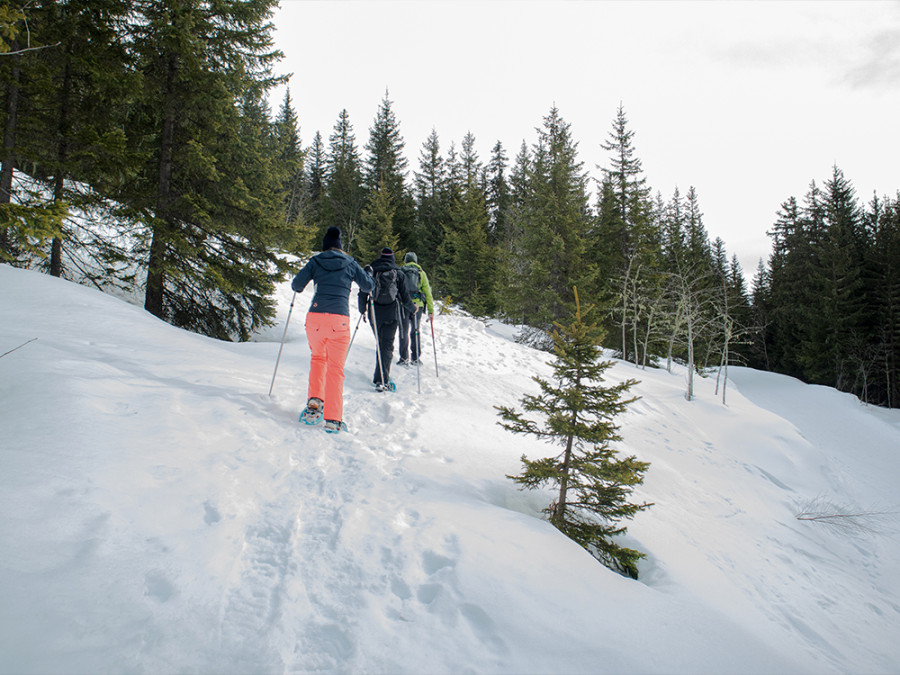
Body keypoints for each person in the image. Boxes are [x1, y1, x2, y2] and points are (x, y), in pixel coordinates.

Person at [291, 226, 374, 433]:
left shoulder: (316, 261)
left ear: (325, 245)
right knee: (336, 369)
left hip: (315, 318)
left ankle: (314, 403)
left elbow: (296, 285)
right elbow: (368, 286)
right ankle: (333, 420)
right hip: (339, 320)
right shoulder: (351, 263)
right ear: (339, 246)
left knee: (318, 358)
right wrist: (369, 273)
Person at [357, 247, 415, 392]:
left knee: (380, 343)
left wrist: (362, 310)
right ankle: (382, 380)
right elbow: (405, 297)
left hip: (374, 312)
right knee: (387, 345)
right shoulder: (398, 273)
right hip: (391, 312)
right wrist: (413, 309)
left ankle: (380, 376)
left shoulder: (372, 270)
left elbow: (362, 292)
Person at [398, 252, 434, 366]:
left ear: (406, 261)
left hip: (404, 305)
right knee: (415, 331)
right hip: (417, 306)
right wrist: (431, 310)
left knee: (403, 331)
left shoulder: (400, 271)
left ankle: (403, 358)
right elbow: (428, 292)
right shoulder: (421, 273)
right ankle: (415, 358)